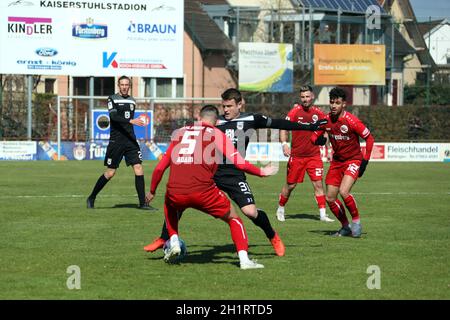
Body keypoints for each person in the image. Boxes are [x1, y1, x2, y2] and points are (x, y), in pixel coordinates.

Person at [144, 88, 327, 256]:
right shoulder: (214, 122)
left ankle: (272, 236)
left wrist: (308, 128)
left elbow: (279, 123)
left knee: (250, 212)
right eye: (223, 106)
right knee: (178, 202)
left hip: (235, 174)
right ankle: (163, 238)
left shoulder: (251, 120)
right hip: (211, 173)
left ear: (240, 104)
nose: (226, 110)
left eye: (230, 106)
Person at [145, 105, 277, 269]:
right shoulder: (217, 134)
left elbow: (159, 168)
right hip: (203, 191)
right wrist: (261, 172)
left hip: (176, 190)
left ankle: (173, 240)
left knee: (169, 202)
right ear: (215, 121)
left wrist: (151, 191)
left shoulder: (179, 133)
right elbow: (239, 163)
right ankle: (244, 260)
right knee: (234, 219)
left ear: (199, 118)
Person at [311, 87, 375, 238]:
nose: (333, 106)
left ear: (344, 104)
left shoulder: (352, 121)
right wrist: (318, 140)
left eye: (337, 103)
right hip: (337, 162)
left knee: (344, 191)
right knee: (330, 198)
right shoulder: (326, 120)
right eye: (332, 102)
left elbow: (369, 138)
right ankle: (345, 227)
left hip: (353, 160)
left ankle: (356, 222)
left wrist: (364, 162)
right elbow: (313, 136)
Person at [86, 76, 154, 210]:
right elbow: (113, 116)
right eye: (122, 84)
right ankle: (92, 197)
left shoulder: (132, 101)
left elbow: (129, 119)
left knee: (138, 168)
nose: (124, 86)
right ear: (118, 85)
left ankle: (142, 204)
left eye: (126, 84)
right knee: (110, 172)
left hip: (130, 140)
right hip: (116, 141)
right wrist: (131, 121)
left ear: (129, 86)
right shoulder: (112, 98)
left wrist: (133, 123)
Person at [276, 85, 334, 222]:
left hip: (314, 156)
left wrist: (329, 149)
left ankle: (322, 214)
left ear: (312, 97)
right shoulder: (295, 112)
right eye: (303, 97)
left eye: (307, 96)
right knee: (290, 185)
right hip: (297, 157)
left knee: (318, 185)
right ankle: (280, 208)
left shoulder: (319, 114)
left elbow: (327, 131)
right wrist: (284, 144)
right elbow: (283, 127)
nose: (305, 99)